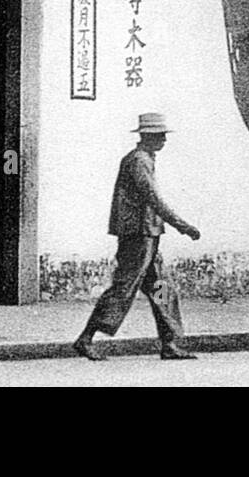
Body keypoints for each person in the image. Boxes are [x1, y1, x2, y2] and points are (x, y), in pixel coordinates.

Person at [73, 112, 201, 361]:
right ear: (148, 136)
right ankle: (85, 338)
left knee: (162, 288)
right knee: (124, 288)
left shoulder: (145, 158)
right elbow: (151, 197)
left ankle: (170, 343)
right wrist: (182, 225)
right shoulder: (138, 160)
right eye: (160, 135)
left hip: (148, 234)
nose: (164, 139)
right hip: (138, 235)